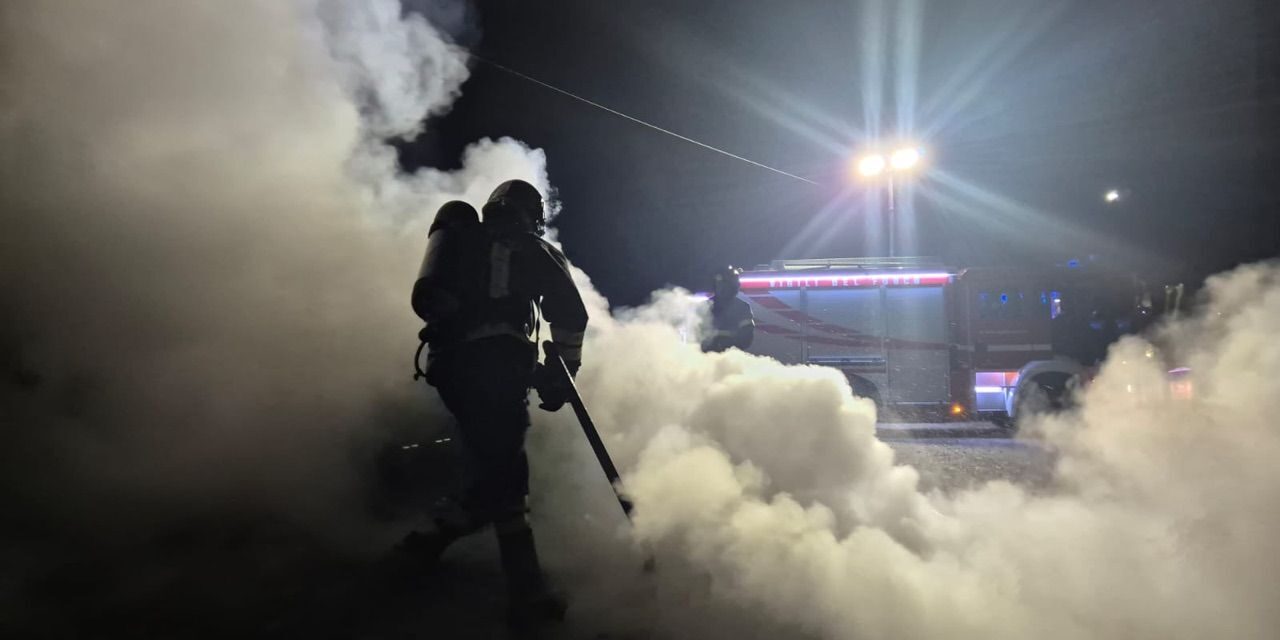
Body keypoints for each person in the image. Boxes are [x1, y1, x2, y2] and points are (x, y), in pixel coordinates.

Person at [407, 180, 588, 629]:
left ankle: (421, 545)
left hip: (449, 368)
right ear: (531, 213)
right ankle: (528, 597)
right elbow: (569, 311)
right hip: (498, 369)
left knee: (488, 462)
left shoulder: (463, 239)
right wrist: (563, 373)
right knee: (507, 474)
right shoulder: (532, 247)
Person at [701, 266, 755, 353]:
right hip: (706, 358)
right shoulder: (705, 306)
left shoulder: (741, 307)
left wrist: (728, 345)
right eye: (719, 284)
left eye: (724, 285)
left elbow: (746, 337)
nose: (722, 288)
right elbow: (694, 333)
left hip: (730, 356)